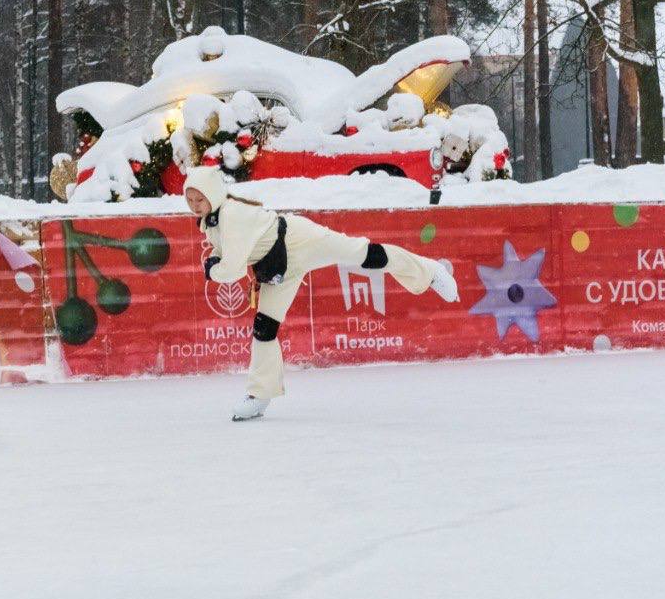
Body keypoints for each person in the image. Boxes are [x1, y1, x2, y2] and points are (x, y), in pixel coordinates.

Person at [184, 166, 459, 421]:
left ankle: (430, 271)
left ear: (214, 194)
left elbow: (230, 269)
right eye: (191, 200)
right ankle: (260, 394)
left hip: (299, 239)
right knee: (264, 327)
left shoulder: (232, 215)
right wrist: (215, 262)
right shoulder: (211, 222)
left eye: (200, 199)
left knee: (363, 254)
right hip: (279, 266)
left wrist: (211, 270)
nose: (195, 206)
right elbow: (225, 254)